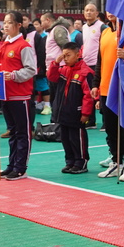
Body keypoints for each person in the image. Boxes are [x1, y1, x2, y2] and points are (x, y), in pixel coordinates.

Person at [94, 8, 124, 181]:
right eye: (108, 9)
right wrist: (96, 84)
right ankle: (117, 162)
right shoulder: (105, 32)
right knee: (110, 128)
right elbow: (100, 61)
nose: (110, 12)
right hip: (106, 88)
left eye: (114, 8)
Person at [0, 11, 37, 180]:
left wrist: (13, 75)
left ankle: (21, 168)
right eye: (4, 22)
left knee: (22, 133)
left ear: (19, 25)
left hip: (20, 96)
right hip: (5, 95)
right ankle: (12, 164)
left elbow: (31, 69)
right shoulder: (3, 45)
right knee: (13, 132)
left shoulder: (23, 46)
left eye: (9, 22)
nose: (5, 26)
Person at [49, 41, 97, 174]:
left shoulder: (85, 72)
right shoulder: (63, 69)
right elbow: (51, 77)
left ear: (78, 54)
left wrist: (86, 113)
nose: (65, 58)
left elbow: (88, 95)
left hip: (76, 113)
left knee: (77, 138)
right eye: (63, 55)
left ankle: (81, 162)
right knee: (65, 138)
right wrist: (56, 63)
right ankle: (70, 161)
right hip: (63, 112)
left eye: (68, 55)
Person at [79, 2, 105, 68]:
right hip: (85, 63)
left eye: (91, 10)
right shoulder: (84, 27)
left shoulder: (102, 26)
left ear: (97, 13)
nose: (89, 12)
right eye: (87, 10)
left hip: (97, 63)